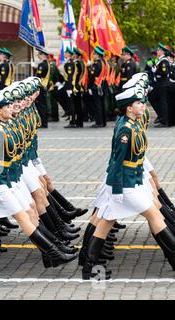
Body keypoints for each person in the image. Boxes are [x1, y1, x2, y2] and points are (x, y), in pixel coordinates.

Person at [0, 89, 77, 281]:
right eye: (5, 106)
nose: (9, 108)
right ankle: (53, 252)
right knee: (22, 217)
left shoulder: (6, 126)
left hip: (7, 180)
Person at [80, 83, 175, 280]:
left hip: (132, 183)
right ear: (129, 107)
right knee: (154, 217)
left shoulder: (132, 124)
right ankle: (88, 265)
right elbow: (116, 162)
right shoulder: (125, 129)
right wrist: (116, 190)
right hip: (125, 185)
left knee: (106, 222)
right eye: (139, 103)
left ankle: (88, 267)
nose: (143, 105)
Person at [148, 42, 172, 127]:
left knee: (163, 102)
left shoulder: (164, 61)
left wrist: (156, 71)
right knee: (153, 98)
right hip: (159, 84)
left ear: (162, 51)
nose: (157, 51)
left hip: (163, 84)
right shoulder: (160, 60)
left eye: (158, 50)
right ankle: (161, 117)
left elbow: (164, 72)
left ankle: (164, 121)